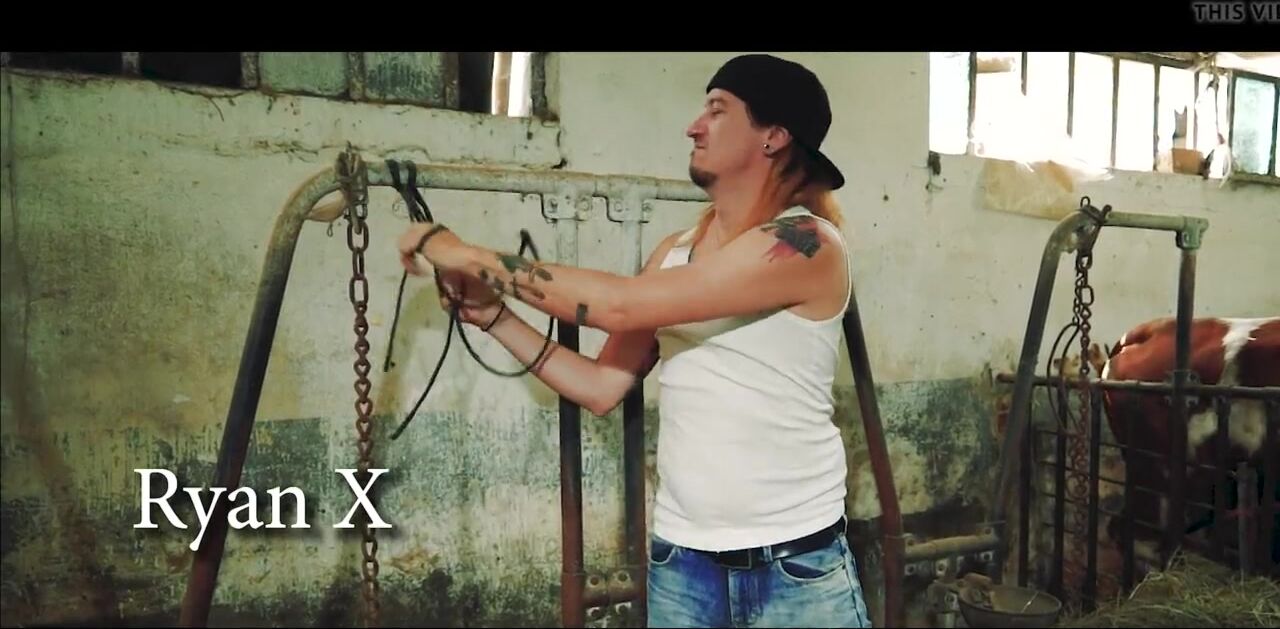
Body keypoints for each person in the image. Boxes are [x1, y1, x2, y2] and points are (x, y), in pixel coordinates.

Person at [396, 53, 872, 628]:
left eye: (717, 110)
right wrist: (495, 318)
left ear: (772, 135)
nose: (694, 126)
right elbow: (600, 386)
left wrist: (462, 252)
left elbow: (618, 306)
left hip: (793, 569)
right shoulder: (676, 251)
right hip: (683, 565)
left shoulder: (805, 243)